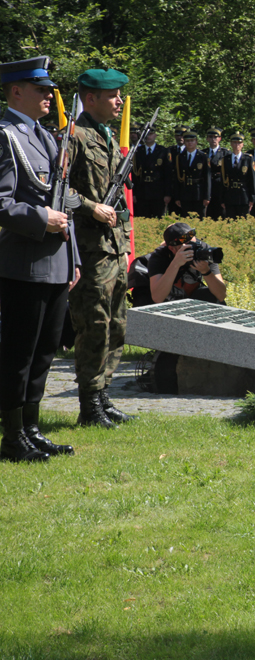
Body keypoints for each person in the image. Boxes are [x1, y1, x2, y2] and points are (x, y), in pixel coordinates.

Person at [0, 55, 80, 461]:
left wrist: (75, 257)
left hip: (57, 261)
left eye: (49, 88)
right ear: (16, 91)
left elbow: (63, 199)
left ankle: (30, 429)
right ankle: (12, 438)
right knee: (19, 354)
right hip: (22, 263)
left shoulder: (47, 137)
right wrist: (39, 218)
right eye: (40, 88)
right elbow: (2, 203)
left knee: (46, 351)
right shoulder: (5, 135)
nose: (49, 95)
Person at [67, 67, 136, 429]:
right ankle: (88, 404)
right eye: (112, 96)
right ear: (90, 98)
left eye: (120, 94)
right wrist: (92, 207)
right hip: (88, 248)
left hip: (113, 245)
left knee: (117, 323)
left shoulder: (106, 137)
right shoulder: (74, 136)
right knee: (93, 324)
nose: (119, 101)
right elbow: (58, 190)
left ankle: (103, 395)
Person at [147, 222, 226, 304]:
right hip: (169, 304)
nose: (193, 250)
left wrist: (206, 272)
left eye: (194, 244)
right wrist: (175, 264)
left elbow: (221, 296)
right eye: (187, 248)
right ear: (172, 249)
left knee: (208, 295)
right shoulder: (160, 256)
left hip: (194, 299)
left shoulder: (203, 250)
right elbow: (157, 298)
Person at [132, 125, 171, 218]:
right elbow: (134, 175)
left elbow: (168, 174)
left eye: (151, 134)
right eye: (146, 134)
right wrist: (133, 193)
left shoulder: (163, 151)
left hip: (158, 192)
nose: (148, 136)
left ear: (155, 135)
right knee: (142, 218)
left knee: (158, 219)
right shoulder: (137, 152)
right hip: (142, 192)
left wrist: (168, 194)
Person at [172, 130, 211, 218]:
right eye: (187, 141)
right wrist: (177, 197)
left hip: (199, 192)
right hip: (185, 192)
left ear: (196, 142)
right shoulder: (180, 157)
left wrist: (207, 196)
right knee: (186, 217)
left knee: (199, 218)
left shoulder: (203, 156)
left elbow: (207, 177)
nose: (190, 143)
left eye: (192, 141)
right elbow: (178, 178)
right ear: (184, 142)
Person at [221, 131, 255, 218]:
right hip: (230, 195)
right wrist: (222, 199)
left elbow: (252, 179)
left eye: (239, 143)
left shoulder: (248, 159)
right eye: (235, 143)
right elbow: (223, 179)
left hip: (244, 195)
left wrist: (252, 198)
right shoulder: (226, 159)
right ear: (231, 144)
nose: (237, 145)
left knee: (243, 221)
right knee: (230, 221)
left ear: (242, 144)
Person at [204, 127, 228, 219]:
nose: (213, 139)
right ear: (207, 139)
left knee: (220, 213)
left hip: (219, 185)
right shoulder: (203, 153)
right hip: (206, 186)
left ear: (220, 139)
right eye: (211, 137)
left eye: (216, 137)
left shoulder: (225, 153)